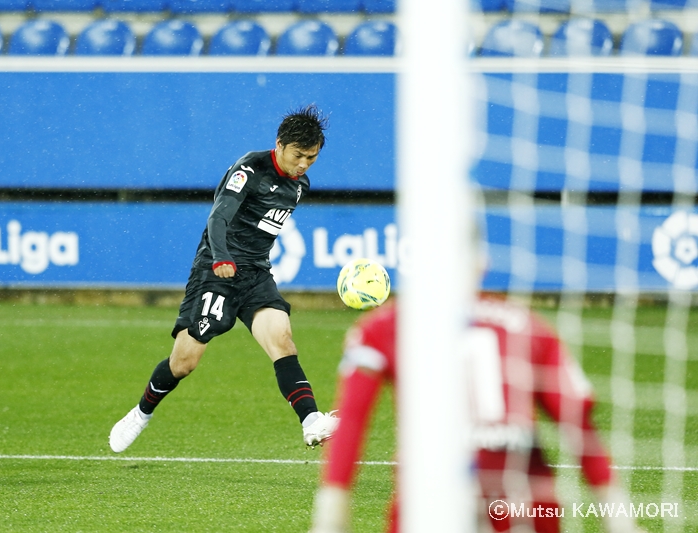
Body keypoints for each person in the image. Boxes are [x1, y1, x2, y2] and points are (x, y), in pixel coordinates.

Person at [309, 295, 646, 533]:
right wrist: (619, 518)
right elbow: (578, 424)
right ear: (481, 262)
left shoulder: (384, 326)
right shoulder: (528, 325)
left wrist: (331, 516)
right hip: (520, 495)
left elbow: (352, 420)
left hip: (429, 494)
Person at [109, 104, 338, 453]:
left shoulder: (298, 185)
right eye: (298, 155)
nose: (304, 164)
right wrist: (220, 258)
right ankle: (141, 412)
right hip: (216, 271)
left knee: (282, 339)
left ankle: (311, 421)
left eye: (312, 157)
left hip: (256, 274)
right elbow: (218, 217)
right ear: (279, 144)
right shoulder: (250, 169)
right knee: (184, 362)